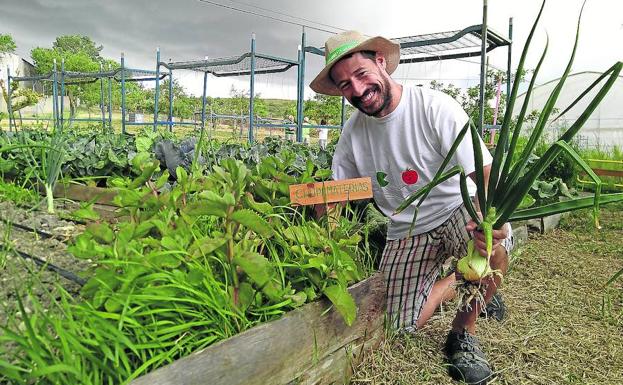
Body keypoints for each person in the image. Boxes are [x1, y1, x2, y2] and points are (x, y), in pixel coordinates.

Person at [310, 30, 513, 384]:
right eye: (345, 85)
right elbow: (337, 194)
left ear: (380, 62)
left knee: (493, 249)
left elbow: (484, 172)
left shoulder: (434, 107)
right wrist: (325, 239)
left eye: (361, 75)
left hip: (455, 210)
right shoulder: (353, 133)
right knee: (401, 325)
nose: (357, 91)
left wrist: (489, 221)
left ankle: (464, 334)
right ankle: (457, 279)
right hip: (407, 227)